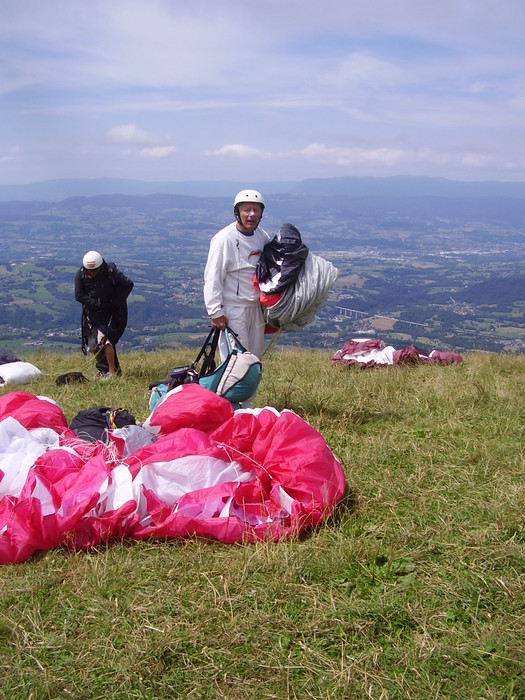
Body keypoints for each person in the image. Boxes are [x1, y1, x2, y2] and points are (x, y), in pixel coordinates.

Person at [203, 189, 270, 402]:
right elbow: (213, 277)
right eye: (246, 210)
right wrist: (215, 311)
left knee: (254, 361)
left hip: (255, 309)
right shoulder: (224, 239)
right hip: (232, 311)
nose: (251, 215)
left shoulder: (263, 237)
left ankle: (247, 406)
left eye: (256, 210)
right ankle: (232, 407)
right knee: (236, 362)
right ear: (237, 212)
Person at [75, 250, 134, 380]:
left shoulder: (111, 272)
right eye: (90, 270)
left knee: (106, 341)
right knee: (92, 343)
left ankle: (112, 372)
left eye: (95, 270)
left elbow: (128, 284)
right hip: (92, 312)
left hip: (110, 311)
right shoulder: (81, 275)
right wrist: (95, 304)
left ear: (101, 266)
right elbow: (79, 295)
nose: (92, 273)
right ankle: (103, 368)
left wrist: (115, 302)